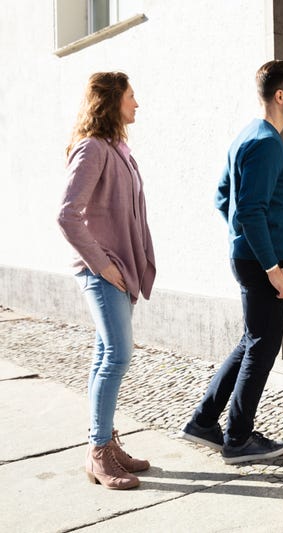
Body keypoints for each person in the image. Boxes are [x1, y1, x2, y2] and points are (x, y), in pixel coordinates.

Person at [179, 60, 283, 464]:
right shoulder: (266, 142)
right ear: (280, 96)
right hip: (263, 261)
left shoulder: (247, 136)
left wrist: (241, 237)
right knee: (263, 348)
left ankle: (203, 421)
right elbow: (248, 211)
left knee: (252, 341)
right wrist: (273, 268)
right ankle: (238, 438)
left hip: (251, 255)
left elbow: (223, 196)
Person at [57, 72, 156, 490]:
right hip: (103, 270)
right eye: (132, 96)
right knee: (117, 356)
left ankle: (107, 442)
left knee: (105, 356)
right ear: (113, 101)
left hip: (119, 267)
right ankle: (98, 452)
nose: (138, 103)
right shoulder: (93, 149)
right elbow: (66, 214)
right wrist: (101, 265)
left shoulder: (118, 148)